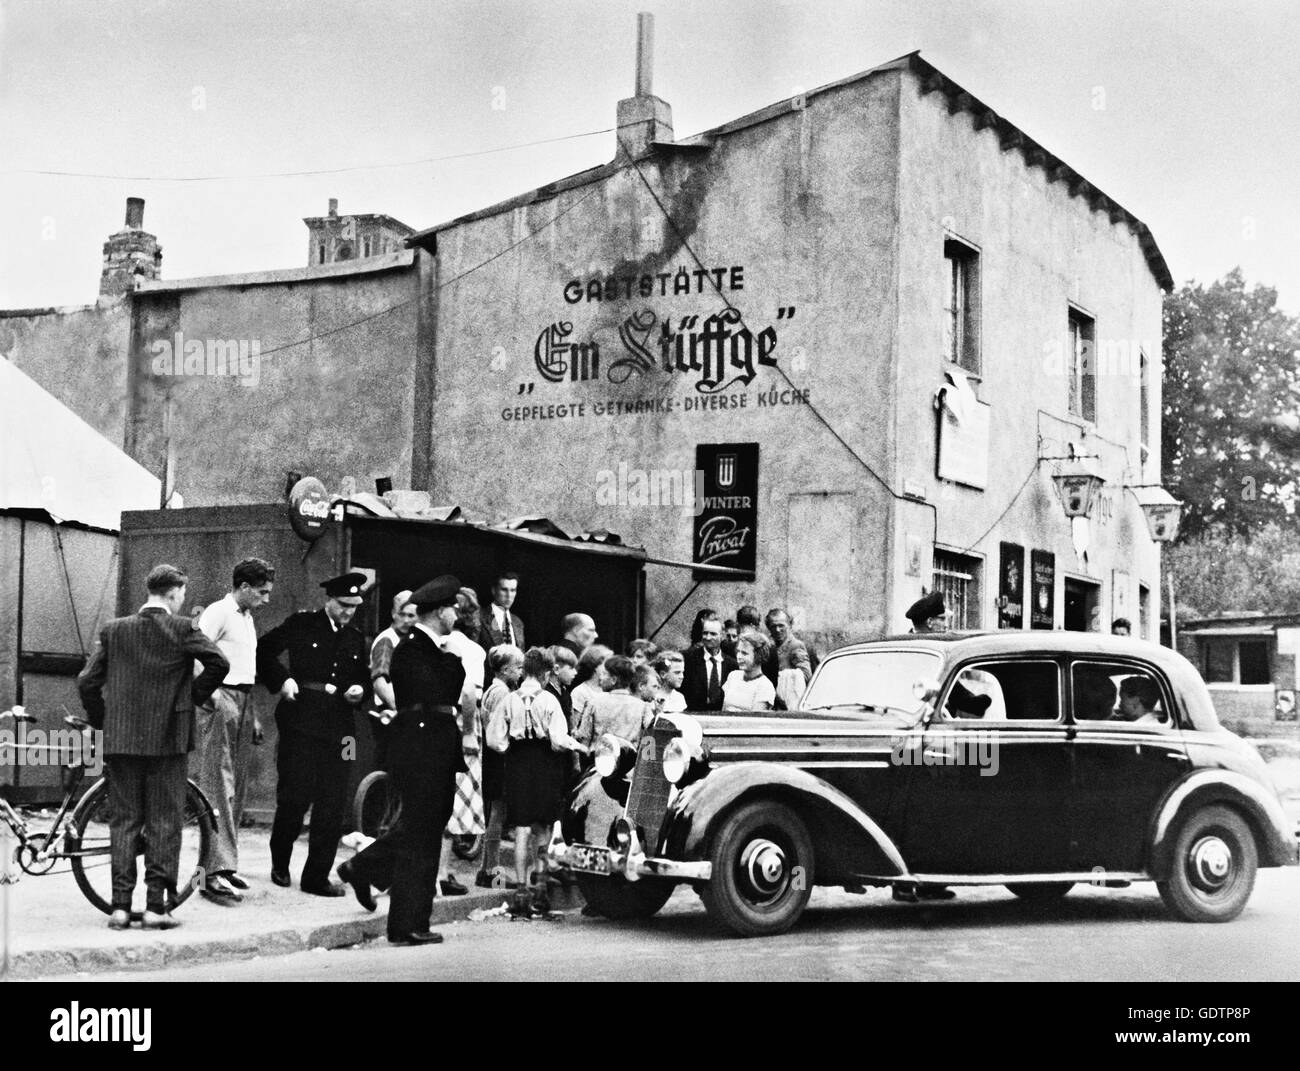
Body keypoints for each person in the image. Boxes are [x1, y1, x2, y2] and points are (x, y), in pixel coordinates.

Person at [76, 564, 229, 930]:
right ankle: (155, 908)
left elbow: (86, 682)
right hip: (168, 740)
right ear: (175, 593)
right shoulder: (183, 628)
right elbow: (218, 663)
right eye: (182, 595)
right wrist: (190, 699)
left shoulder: (115, 630)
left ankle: (119, 908)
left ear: (150, 592)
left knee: (124, 822)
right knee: (164, 822)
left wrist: (103, 721)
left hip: (122, 740)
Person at [336, 576, 467, 945]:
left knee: (422, 829)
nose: (456, 614)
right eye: (452, 608)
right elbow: (441, 689)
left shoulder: (428, 648)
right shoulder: (413, 648)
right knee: (419, 836)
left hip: (432, 749)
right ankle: (407, 923)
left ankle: (365, 872)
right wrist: (453, 661)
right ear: (440, 611)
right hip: (423, 750)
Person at [256, 571, 370, 896]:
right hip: (301, 724)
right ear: (329, 600)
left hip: (342, 733)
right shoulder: (302, 624)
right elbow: (264, 649)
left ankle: (316, 877)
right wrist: (282, 680)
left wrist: (359, 690)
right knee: (294, 797)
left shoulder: (354, 637)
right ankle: (280, 861)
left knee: (332, 804)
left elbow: (362, 676)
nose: (349, 612)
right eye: (344, 605)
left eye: (354, 606)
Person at [191, 557, 275, 905]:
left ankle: (226, 867)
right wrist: (211, 693)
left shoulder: (246, 617)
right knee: (216, 784)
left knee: (236, 786)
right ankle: (210, 873)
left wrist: (251, 712)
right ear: (243, 587)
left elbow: (245, 667)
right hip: (221, 696)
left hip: (242, 698)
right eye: (262, 592)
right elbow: (196, 653)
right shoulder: (218, 612)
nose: (266, 599)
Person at [485, 646, 588, 918]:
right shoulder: (549, 700)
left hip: (517, 763)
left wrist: (511, 747)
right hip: (545, 763)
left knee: (520, 828)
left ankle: (520, 893)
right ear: (544, 672)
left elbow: (494, 739)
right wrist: (577, 746)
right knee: (543, 828)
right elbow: (557, 740)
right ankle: (540, 891)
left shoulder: (510, 699)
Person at [442, 587, 488, 895]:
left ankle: (439, 870)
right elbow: (469, 693)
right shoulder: (472, 650)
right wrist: (470, 732)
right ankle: (443, 871)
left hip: (440, 719)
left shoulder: (440, 643)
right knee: (456, 801)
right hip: (463, 720)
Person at [474, 644, 523, 889]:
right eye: (518, 667)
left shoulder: (493, 688)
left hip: (493, 756)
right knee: (497, 815)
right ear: (505, 669)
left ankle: (487, 868)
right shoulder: (502, 692)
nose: (521, 671)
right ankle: (492, 872)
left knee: (495, 813)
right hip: (500, 757)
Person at [368, 590, 415, 772]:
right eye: (401, 614)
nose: (405, 620)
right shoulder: (387, 640)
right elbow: (380, 681)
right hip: (391, 713)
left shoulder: (410, 640)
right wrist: (399, 707)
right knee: (389, 767)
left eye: (411, 615)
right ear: (393, 613)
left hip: (407, 712)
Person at [589, 655, 654, 743]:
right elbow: (652, 736)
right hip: (629, 755)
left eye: (604, 674)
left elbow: (584, 737)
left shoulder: (594, 702)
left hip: (598, 755)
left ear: (613, 680)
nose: (601, 678)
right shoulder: (642, 706)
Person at [681, 612, 737, 711]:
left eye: (713, 634)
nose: (708, 637)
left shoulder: (732, 665)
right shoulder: (688, 659)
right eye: (705, 633)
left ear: (722, 636)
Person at [762, 608, 813, 708]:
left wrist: (785, 677)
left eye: (781, 625)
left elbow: (806, 675)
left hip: (789, 702)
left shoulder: (795, 645)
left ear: (789, 625)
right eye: (773, 626)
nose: (777, 630)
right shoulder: (769, 646)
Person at [568, 644, 612, 750]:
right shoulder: (580, 692)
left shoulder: (610, 690)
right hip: (588, 749)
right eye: (607, 664)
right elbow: (574, 728)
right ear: (596, 667)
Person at [723, 629, 776, 711]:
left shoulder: (765, 686)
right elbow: (723, 710)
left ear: (759, 656)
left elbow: (755, 720)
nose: (739, 657)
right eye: (738, 652)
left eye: (744, 653)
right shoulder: (733, 676)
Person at [479, 571, 525, 651]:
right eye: (504, 590)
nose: (509, 595)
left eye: (513, 590)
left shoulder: (518, 622)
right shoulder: (479, 617)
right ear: (494, 590)